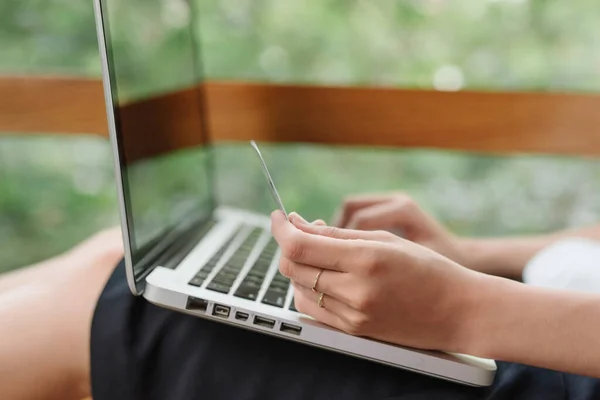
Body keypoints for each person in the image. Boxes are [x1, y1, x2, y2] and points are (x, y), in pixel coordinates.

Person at [2, 193, 600, 400]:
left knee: (115, 308)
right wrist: (472, 256)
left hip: (558, 362)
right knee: (118, 258)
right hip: (545, 311)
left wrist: (466, 309)